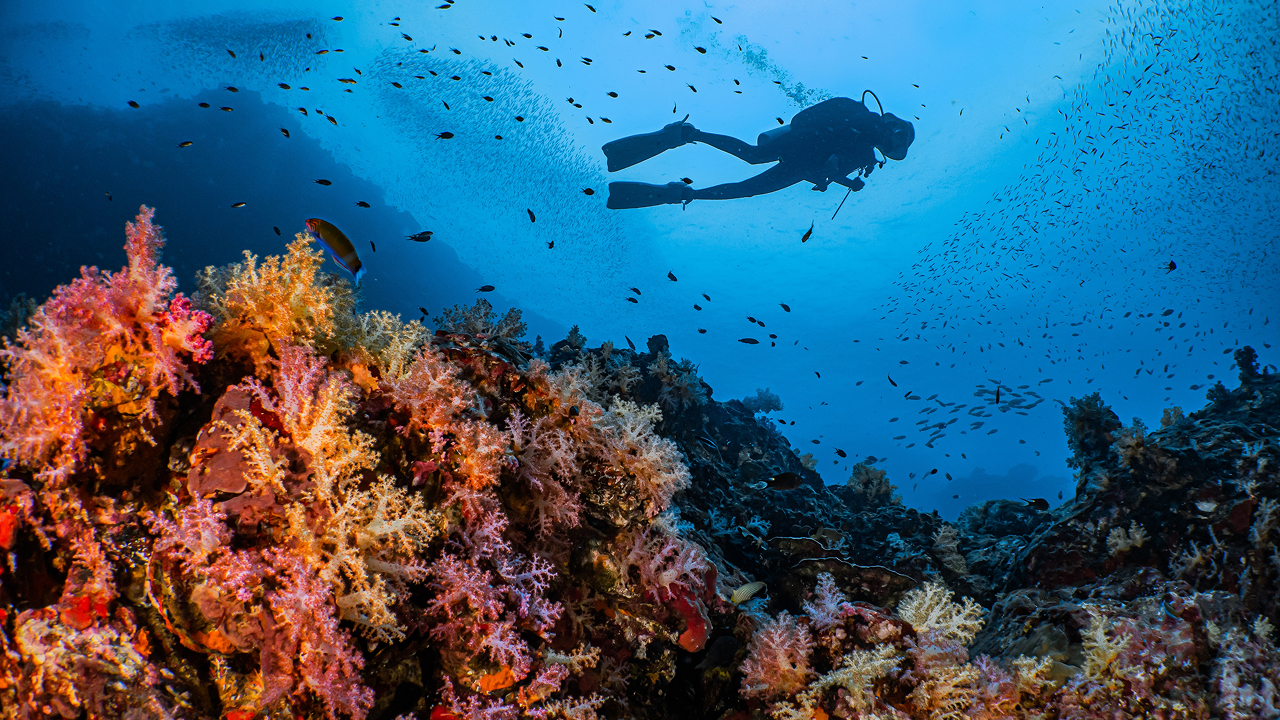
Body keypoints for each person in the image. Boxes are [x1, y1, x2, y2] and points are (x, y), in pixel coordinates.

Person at [603, 96, 915, 209]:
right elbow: (829, 158)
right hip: (802, 148)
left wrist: (846, 182)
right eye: (894, 140)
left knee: (749, 173)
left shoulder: (865, 154)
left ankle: (687, 145)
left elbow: (832, 171)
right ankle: (686, 186)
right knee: (749, 173)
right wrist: (841, 178)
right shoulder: (860, 125)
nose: (887, 141)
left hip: (802, 160)